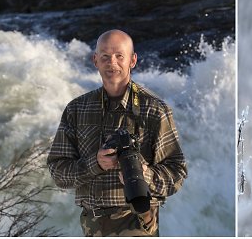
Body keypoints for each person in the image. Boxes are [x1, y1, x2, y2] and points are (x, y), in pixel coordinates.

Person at [47, 29, 187, 236]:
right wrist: (96, 164)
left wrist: (145, 174)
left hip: (139, 221)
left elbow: (177, 174)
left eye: (119, 56)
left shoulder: (154, 110)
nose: (112, 62)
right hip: (92, 224)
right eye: (105, 56)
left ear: (133, 60)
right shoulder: (77, 109)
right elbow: (58, 172)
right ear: (95, 60)